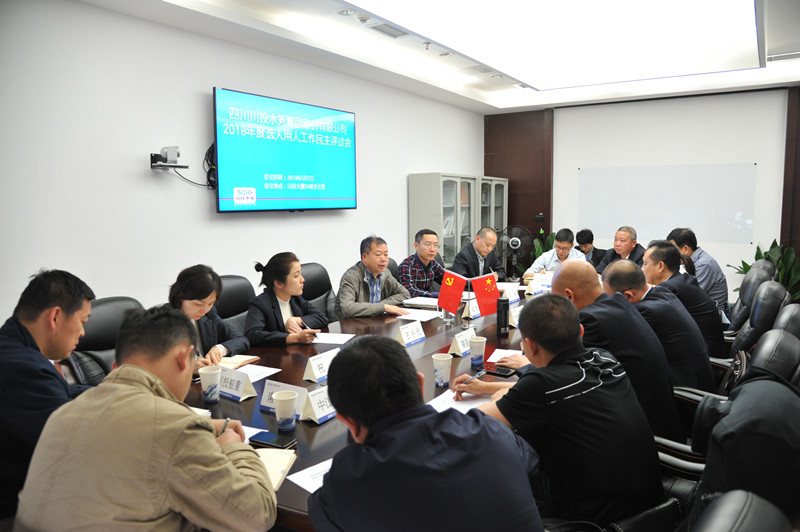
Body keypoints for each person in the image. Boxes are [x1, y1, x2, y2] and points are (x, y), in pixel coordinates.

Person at [14, 306, 277, 531]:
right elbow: (256, 516)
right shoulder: (175, 429)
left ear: (116, 366)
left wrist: (203, 428)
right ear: (184, 359)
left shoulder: (62, 414)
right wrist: (234, 448)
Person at [453, 295, 663, 526]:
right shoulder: (604, 358)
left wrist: (499, 400)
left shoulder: (540, 385)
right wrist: (486, 387)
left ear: (530, 346)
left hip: (592, 521)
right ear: (581, 332)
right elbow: (550, 388)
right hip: (652, 510)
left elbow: (470, 426)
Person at [308, 335, 544, 532]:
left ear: (346, 421)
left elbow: (322, 511)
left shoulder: (349, 478)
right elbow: (531, 463)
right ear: (421, 385)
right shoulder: (490, 430)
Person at [549, 259, 684, 441]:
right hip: (660, 416)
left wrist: (527, 365)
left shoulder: (591, 320)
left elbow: (565, 373)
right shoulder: (618, 302)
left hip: (642, 434)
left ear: (568, 296)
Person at [0, 270, 95, 523]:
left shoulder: (13, 349)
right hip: (14, 514)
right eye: (83, 322)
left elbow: (64, 393)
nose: (83, 333)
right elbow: (76, 442)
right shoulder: (22, 368)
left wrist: (112, 392)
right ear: (55, 317)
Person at [602, 260, 715, 391]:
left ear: (628, 295)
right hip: (697, 378)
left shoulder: (646, 312)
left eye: (609, 299)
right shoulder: (662, 292)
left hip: (682, 390)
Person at [643, 240, 726, 359]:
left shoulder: (670, 289)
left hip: (704, 359)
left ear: (660, 266)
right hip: (703, 352)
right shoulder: (681, 280)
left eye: (645, 264)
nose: (642, 269)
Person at [168, 264, 249, 368]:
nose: (205, 310)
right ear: (180, 295)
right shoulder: (163, 321)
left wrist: (219, 349)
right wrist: (190, 366)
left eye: (211, 303)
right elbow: (157, 364)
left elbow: (241, 339)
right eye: (198, 304)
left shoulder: (209, 314)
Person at [245, 252, 328, 346]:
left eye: (301, 274)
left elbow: (322, 318)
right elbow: (252, 335)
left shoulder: (295, 298)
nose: (302, 280)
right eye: (296, 276)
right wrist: (294, 338)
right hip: (275, 354)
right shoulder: (260, 303)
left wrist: (297, 320)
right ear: (278, 283)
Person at [334, 235, 410, 320]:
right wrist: (383, 307)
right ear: (364, 257)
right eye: (378, 255)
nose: (383, 259)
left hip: (374, 322)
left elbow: (405, 294)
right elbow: (347, 308)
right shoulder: (351, 276)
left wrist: (382, 306)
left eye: (386, 255)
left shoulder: (385, 273)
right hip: (349, 325)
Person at [667, 228, 729, 312]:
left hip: (710, 314)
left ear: (685, 249)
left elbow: (691, 296)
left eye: (673, 250)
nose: (670, 254)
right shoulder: (691, 261)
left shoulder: (703, 265)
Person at [396, 229, 445, 298]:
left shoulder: (433, 263)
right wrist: (436, 295)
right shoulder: (406, 266)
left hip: (427, 301)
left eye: (436, 245)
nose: (432, 249)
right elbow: (410, 291)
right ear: (416, 246)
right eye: (428, 244)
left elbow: (448, 280)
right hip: (407, 302)